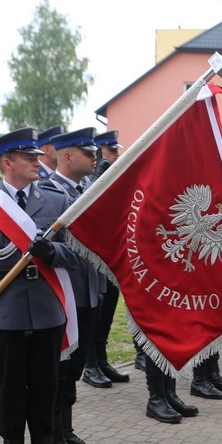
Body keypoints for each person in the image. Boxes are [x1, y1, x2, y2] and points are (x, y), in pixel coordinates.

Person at [0, 127, 78, 444]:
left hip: (48, 308)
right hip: (5, 311)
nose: (38, 162)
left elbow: (79, 253)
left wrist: (53, 251)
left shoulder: (56, 201)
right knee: (10, 391)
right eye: (28, 157)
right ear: (7, 163)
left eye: (38, 156)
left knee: (44, 388)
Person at [45, 127, 105, 444]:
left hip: (89, 290)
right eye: (87, 151)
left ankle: (66, 432)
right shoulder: (48, 193)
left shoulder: (87, 190)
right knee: (59, 368)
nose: (94, 155)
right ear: (67, 156)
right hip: (64, 292)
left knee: (75, 368)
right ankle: (52, 439)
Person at [86, 130, 130, 385]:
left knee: (108, 313)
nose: (117, 155)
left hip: (112, 258)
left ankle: (101, 360)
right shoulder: (94, 178)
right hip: (95, 260)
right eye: (112, 151)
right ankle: (91, 364)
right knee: (97, 311)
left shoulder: (112, 177)